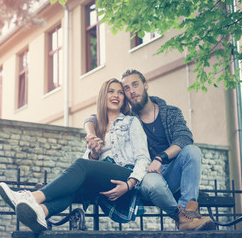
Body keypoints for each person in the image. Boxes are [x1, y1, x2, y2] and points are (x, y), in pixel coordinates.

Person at [0, 78, 151, 233]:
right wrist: (94, 153)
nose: (116, 95)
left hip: (125, 175)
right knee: (73, 187)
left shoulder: (131, 122)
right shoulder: (97, 127)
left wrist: (130, 183)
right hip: (103, 180)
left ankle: (32, 197)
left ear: (124, 99)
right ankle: (41, 212)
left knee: (80, 164)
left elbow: (144, 158)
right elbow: (87, 166)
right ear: (103, 96)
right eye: (111, 91)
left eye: (120, 92)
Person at [84, 69, 215, 231]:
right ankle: (180, 218)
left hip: (171, 172)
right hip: (146, 177)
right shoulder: (129, 118)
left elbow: (184, 139)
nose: (132, 91)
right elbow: (93, 117)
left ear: (145, 85)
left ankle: (189, 212)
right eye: (126, 88)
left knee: (192, 151)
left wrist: (159, 158)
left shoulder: (170, 113)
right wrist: (90, 133)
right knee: (153, 183)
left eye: (135, 84)